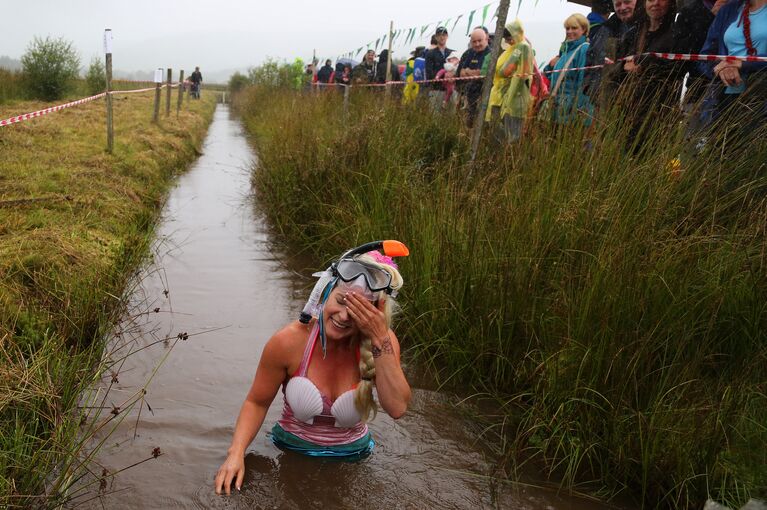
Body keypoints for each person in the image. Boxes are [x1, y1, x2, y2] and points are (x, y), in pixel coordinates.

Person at [215, 241, 412, 496]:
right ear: (325, 292)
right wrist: (236, 453)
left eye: (356, 311)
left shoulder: (382, 345)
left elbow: (397, 408)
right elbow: (257, 402)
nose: (343, 316)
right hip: (289, 452)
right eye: (341, 302)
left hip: (354, 460)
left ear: (375, 313)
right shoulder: (289, 342)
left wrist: (379, 338)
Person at [697, 0, 767, 132]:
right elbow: (705, 57)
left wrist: (744, 64)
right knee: (717, 150)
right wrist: (720, 68)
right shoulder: (728, 10)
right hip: (722, 99)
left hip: (761, 100)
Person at [486, 20, 534, 143]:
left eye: (509, 37)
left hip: (514, 98)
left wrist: (509, 98)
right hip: (502, 96)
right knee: (498, 135)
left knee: (511, 137)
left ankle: (508, 161)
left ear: (516, 34)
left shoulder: (522, 47)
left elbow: (507, 71)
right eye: (505, 38)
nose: (507, 41)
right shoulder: (512, 49)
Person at [543, 13, 595, 126]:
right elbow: (552, 78)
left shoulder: (584, 49)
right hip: (559, 112)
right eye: (567, 28)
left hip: (572, 116)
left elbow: (584, 83)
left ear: (584, 29)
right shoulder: (566, 52)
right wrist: (550, 66)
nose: (569, 31)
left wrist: (580, 113)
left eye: (574, 28)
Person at [584, 0, 637, 104]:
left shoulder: (645, 28)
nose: (622, 7)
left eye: (627, 2)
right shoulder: (606, 29)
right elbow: (591, 58)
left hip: (630, 103)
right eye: (617, 4)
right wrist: (589, 89)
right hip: (601, 100)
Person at [457, 27, 492, 126]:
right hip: (469, 95)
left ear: (486, 39)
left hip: (483, 95)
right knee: (468, 125)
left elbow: (482, 75)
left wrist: (469, 71)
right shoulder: (471, 53)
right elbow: (461, 73)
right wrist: (474, 73)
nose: (477, 44)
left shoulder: (490, 54)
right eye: (474, 42)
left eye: (479, 41)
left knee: (481, 125)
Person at [425, 27, 455, 109]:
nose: (442, 37)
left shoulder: (452, 53)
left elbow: (457, 69)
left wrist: (452, 76)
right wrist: (443, 77)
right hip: (436, 90)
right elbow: (429, 74)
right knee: (435, 118)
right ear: (436, 37)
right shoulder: (430, 54)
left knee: (451, 117)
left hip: (450, 90)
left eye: (444, 35)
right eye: (439, 35)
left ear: (447, 36)